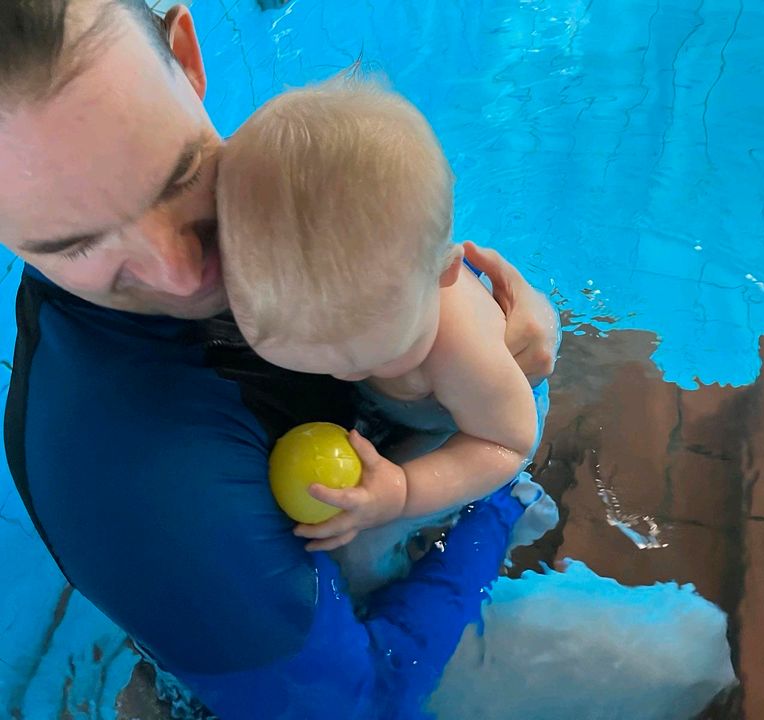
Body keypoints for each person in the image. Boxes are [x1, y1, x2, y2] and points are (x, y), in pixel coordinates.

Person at [0, 2, 559, 719]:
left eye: (181, 176)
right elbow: (362, 705)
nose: (187, 274)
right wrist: (495, 501)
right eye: (77, 245)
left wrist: (490, 339)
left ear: (190, 59)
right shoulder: (142, 498)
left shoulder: (296, 169)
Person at [217, 81, 546, 553]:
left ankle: (512, 511)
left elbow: (509, 444)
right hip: (403, 409)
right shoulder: (341, 307)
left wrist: (402, 491)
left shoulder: (461, 347)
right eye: (313, 354)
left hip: (475, 422)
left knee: (363, 550)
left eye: (372, 355)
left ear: (444, 274)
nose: (345, 372)